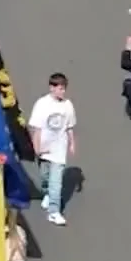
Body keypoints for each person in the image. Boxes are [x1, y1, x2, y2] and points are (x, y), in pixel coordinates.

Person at [28, 73, 78, 226]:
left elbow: (69, 126)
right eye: (60, 89)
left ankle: (54, 212)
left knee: (56, 181)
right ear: (52, 88)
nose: (63, 92)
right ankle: (47, 193)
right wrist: (37, 148)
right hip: (44, 148)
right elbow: (36, 128)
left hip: (59, 149)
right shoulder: (42, 104)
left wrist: (72, 143)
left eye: (64, 89)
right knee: (45, 177)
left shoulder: (68, 105)